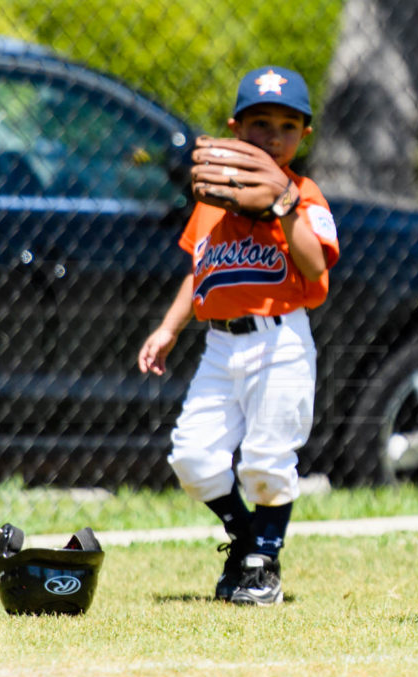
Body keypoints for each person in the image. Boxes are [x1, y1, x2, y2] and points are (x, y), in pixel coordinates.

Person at [137, 66, 339, 606]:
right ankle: (248, 538)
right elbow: (196, 271)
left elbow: (316, 264)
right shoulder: (211, 199)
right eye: (259, 124)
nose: (273, 137)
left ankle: (260, 564)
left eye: (287, 126)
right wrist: (168, 328)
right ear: (234, 128)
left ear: (305, 135)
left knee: (267, 461)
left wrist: (285, 207)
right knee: (193, 458)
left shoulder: (305, 194)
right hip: (220, 345)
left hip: (280, 342)